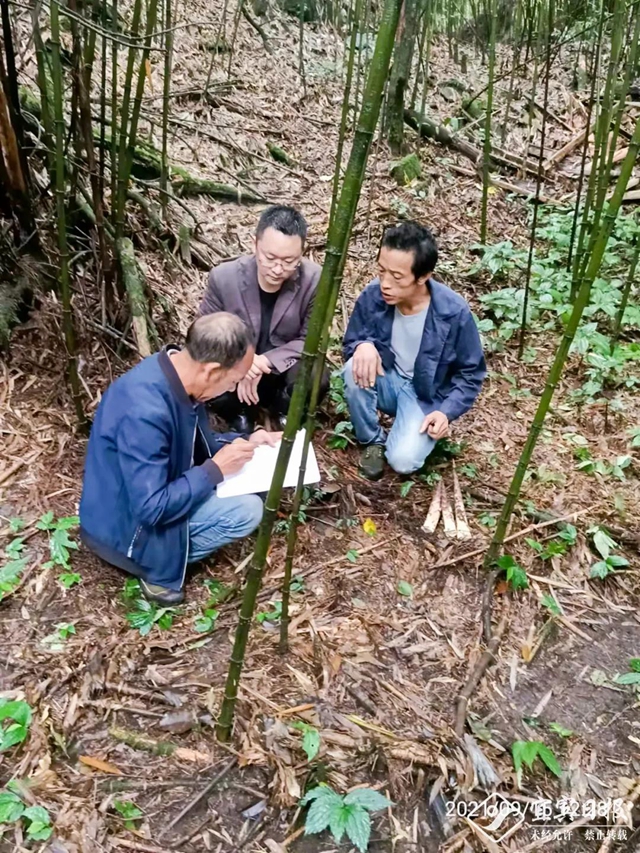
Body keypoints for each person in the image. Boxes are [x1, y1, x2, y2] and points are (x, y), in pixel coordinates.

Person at [79, 313, 282, 605]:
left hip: (141, 501)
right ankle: (155, 569)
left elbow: (190, 446)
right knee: (246, 510)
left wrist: (246, 442)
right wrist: (214, 470)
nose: (231, 389)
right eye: (234, 380)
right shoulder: (145, 411)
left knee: (250, 479)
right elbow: (151, 508)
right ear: (212, 371)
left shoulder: (176, 374)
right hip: (124, 534)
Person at [342, 221, 486, 481]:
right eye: (381, 271)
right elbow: (352, 341)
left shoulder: (453, 313)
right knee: (353, 368)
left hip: (426, 395)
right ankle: (372, 440)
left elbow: (470, 373)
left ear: (423, 276)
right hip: (388, 378)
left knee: (403, 460)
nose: (385, 283)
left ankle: (410, 432)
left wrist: (446, 412)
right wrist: (363, 345)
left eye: (397, 277)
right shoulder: (373, 295)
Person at [198, 205, 329, 433]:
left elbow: (312, 339)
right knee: (205, 368)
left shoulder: (314, 280)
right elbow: (204, 336)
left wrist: (264, 362)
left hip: (280, 374)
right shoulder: (223, 278)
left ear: (302, 251)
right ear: (255, 244)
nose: (278, 269)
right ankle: (237, 413)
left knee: (316, 373)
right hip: (234, 375)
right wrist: (242, 363)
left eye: (289, 261)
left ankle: (284, 410)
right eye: (270, 258)